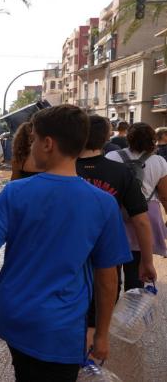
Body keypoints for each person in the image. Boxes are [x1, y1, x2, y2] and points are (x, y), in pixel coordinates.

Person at [0, 105, 130, 382]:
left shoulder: (15, 192)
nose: (32, 147)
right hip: (62, 328)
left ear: (48, 144)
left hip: (16, 319)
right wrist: (101, 334)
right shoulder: (103, 203)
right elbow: (107, 279)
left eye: (35, 140)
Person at [76, 115, 156, 344]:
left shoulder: (64, 168)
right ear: (106, 138)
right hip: (105, 253)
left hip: (68, 253)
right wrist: (147, 261)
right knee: (99, 310)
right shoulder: (121, 173)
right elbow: (141, 221)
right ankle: (89, 361)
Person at [106, 122, 167, 290]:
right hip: (145, 216)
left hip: (117, 215)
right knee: (137, 269)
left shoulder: (113, 157)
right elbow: (164, 194)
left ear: (128, 138)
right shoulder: (159, 161)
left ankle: (111, 304)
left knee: (112, 267)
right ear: (153, 140)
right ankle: (131, 310)